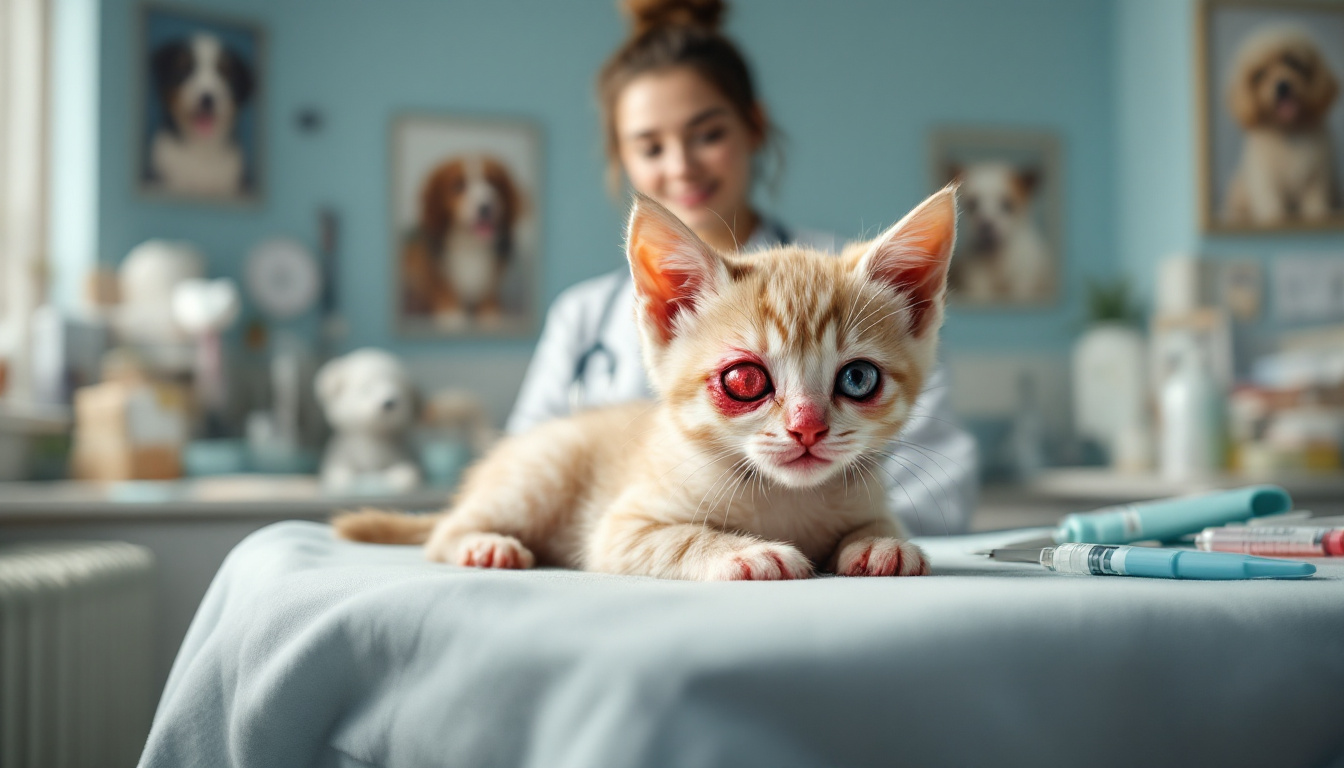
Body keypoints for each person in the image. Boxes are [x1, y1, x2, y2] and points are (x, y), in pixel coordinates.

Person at [506, 0, 978, 534]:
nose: (681, 166)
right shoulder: (582, 313)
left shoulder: (862, 288)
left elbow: (941, 479)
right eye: (650, 147)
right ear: (622, 160)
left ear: (754, 126)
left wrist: (835, 532)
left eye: (707, 135)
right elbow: (525, 461)